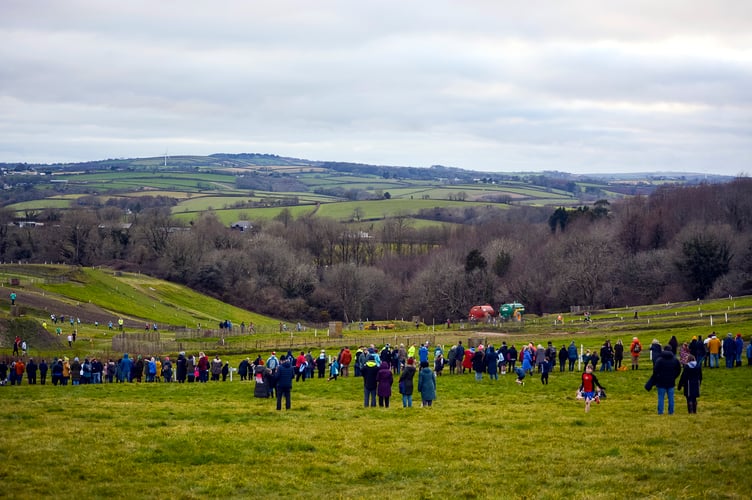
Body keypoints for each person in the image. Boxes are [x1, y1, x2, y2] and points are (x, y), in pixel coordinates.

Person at [649, 345, 682, 415]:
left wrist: (658, 377)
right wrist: (674, 377)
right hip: (671, 381)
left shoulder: (659, 360)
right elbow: (678, 370)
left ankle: (660, 411)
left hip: (661, 381)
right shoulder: (675, 360)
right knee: (671, 398)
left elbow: (655, 370)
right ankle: (671, 411)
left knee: (661, 397)